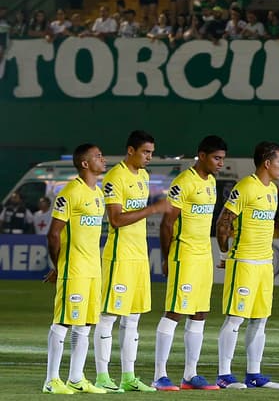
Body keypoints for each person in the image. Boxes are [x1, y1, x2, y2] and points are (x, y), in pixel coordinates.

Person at [93, 131, 166, 392]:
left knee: (133, 318)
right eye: (145, 152)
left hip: (139, 256)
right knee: (109, 316)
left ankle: (128, 376)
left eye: (151, 152)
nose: (149, 157)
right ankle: (102, 376)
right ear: (130, 150)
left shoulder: (144, 177)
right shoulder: (115, 177)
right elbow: (116, 219)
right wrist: (153, 209)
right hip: (120, 256)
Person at [152, 135, 227, 390]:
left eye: (222, 159)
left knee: (200, 313)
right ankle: (159, 375)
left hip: (204, 256)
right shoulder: (183, 182)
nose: (220, 163)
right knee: (175, 312)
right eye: (216, 158)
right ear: (202, 155)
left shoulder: (212, 182)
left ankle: (189, 375)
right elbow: (167, 224)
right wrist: (167, 257)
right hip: (183, 255)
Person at [214, 142, 279, 389]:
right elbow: (223, 223)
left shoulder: (273, 190)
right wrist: (226, 254)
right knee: (236, 318)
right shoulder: (245, 186)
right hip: (244, 262)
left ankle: (253, 374)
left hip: (264, 263)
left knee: (260, 319)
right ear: (267, 163)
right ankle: (224, 375)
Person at [43, 143, 108, 395]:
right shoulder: (70, 193)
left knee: (85, 324)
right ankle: (51, 380)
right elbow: (53, 234)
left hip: (93, 269)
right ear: (85, 164)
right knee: (63, 322)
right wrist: (58, 265)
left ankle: (76, 378)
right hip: (75, 269)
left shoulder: (98, 193)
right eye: (98, 156)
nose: (103, 160)